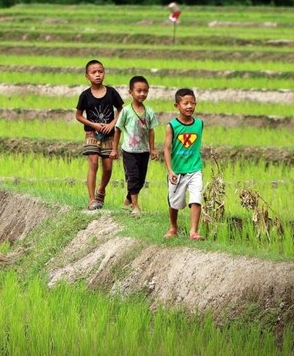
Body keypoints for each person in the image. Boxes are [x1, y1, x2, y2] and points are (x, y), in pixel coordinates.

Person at [75, 59, 123, 210]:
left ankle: (101, 190)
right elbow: (79, 115)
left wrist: (111, 124)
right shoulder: (85, 95)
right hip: (91, 134)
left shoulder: (111, 92)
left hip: (109, 135)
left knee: (108, 167)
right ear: (87, 76)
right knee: (93, 164)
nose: (97, 75)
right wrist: (93, 124)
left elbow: (121, 110)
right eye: (93, 72)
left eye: (100, 72)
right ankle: (91, 200)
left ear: (104, 73)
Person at [110, 76, 158, 218]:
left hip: (143, 151)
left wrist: (153, 148)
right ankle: (135, 206)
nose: (142, 94)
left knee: (141, 179)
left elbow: (151, 131)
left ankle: (127, 201)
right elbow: (118, 129)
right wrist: (114, 149)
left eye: (145, 91)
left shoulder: (149, 111)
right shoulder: (126, 111)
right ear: (131, 92)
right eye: (139, 91)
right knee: (133, 177)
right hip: (129, 151)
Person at [163, 88, 205, 240]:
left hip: (195, 169)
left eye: (192, 103)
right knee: (174, 202)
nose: (189, 106)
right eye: (186, 103)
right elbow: (167, 149)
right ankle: (173, 227)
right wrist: (170, 170)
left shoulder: (199, 124)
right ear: (177, 106)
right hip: (177, 170)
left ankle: (193, 231)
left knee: (196, 198)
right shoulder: (172, 126)